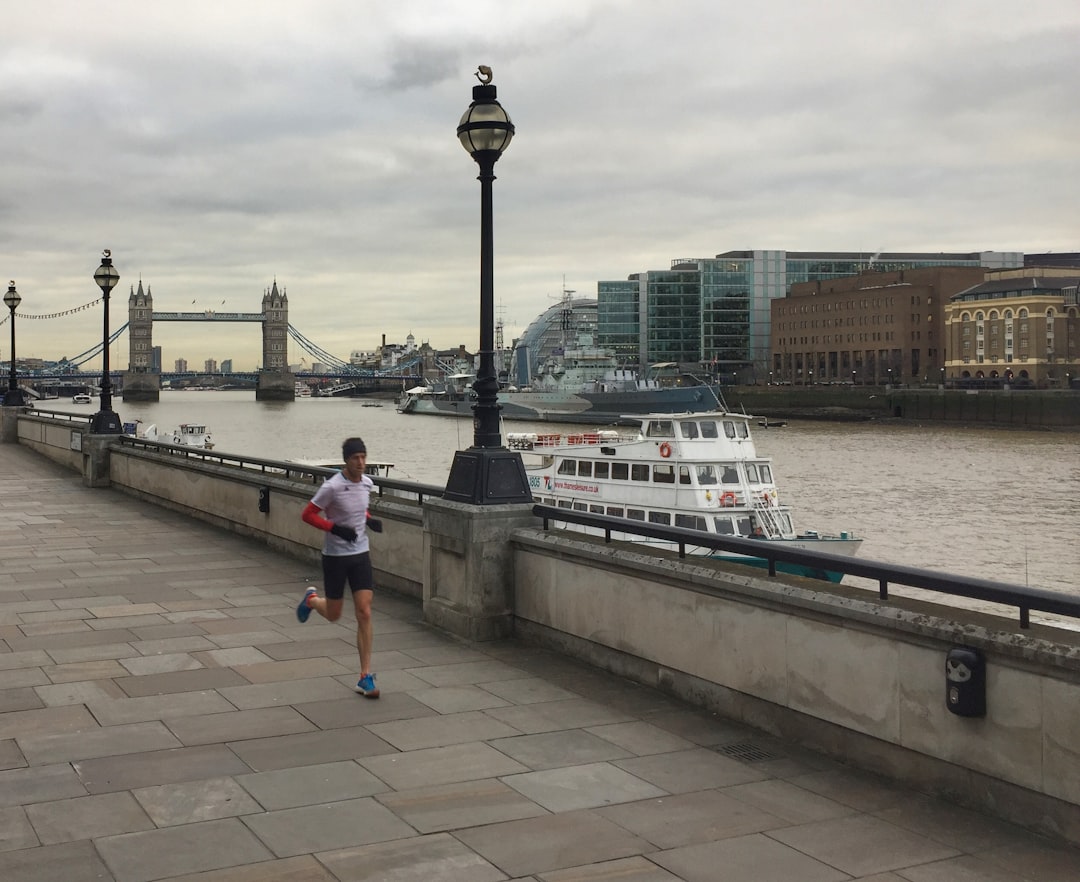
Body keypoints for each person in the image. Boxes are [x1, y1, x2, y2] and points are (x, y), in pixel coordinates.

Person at [297, 437, 384, 698]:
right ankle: (312, 600)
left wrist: (369, 520)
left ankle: (364, 676)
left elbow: (358, 511)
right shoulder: (332, 487)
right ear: (346, 460)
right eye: (356, 458)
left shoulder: (367, 483)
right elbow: (307, 515)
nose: (361, 463)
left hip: (360, 554)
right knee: (334, 614)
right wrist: (334, 528)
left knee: (365, 611)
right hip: (335, 556)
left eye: (363, 457)